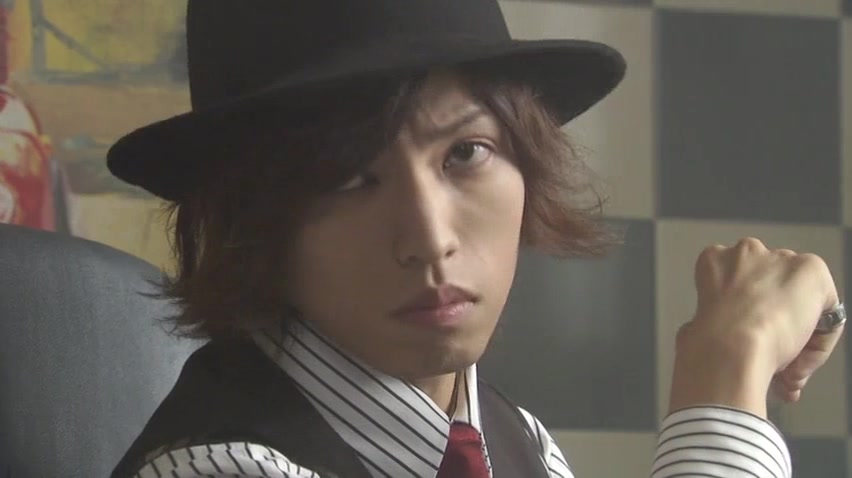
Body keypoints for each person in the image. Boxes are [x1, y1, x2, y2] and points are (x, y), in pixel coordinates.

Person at [106, 1, 845, 477]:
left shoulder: (514, 440)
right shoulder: (220, 466)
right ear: (250, 220)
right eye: (345, 178)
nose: (429, 239)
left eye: (465, 153)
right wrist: (725, 373)